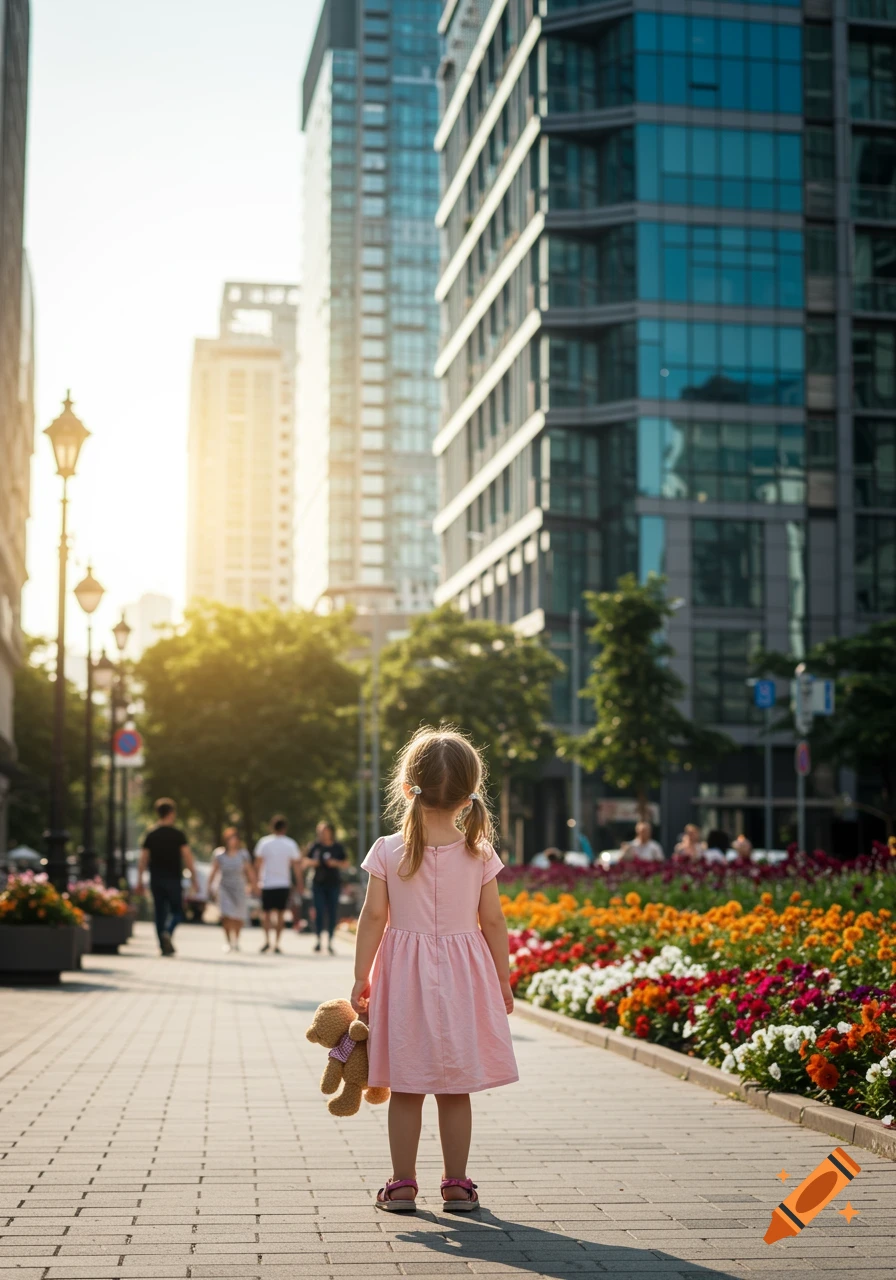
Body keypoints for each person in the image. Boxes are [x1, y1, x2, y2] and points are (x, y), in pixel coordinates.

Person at [351, 727, 517, 1214]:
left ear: (407, 787)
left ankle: (401, 1185)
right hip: (465, 974)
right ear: (470, 795)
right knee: (454, 1085)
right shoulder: (479, 851)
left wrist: (361, 975)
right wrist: (503, 979)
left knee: (405, 1082)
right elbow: (492, 920)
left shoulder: (386, 849)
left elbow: (374, 917)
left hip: (402, 975)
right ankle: (458, 1185)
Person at [134, 798, 200, 956]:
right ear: (171, 813)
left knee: (159, 912)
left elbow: (143, 859)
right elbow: (188, 857)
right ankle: (168, 933)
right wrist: (194, 879)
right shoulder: (178, 834)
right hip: (173, 879)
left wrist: (139, 881)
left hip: (156, 879)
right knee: (177, 911)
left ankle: (162, 945)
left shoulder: (151, 834)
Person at [253, 815, 301, 954]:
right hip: (283, 884)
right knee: (280, 914)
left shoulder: (264, 843)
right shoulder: (290, 844)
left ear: (271, 827)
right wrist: (299, 883)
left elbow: (257, 864)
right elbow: (296, 866)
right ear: (285, 828)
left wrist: (255, 882)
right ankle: (277, 943)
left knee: (266, 914)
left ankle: (267, 940)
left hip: (267, 883)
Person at [207, 826, 257, 953]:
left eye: (235, 838)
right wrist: (209, 887)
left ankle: (236, 941)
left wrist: (254, 885)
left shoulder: (243, 854)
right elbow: (213, 871)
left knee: (238, 917)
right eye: (230, 838)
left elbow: (249, 871)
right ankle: (228, 941)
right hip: (224, 887)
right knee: (226, 915)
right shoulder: (219, 854)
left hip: (239, 888)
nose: (233, 841)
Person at [304, 821, 348, 955]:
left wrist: (335, 863)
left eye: (325, 831)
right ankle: (318, 940)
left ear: (330, 832)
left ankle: (330, 941)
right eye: (320, 831)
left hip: (333, 884)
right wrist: (315, 863)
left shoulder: (337, 847)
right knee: (319, 911)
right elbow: (305, 861)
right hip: (318, 884)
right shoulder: (314, 846)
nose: (322, 834)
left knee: (332, 912)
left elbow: (346, 863)